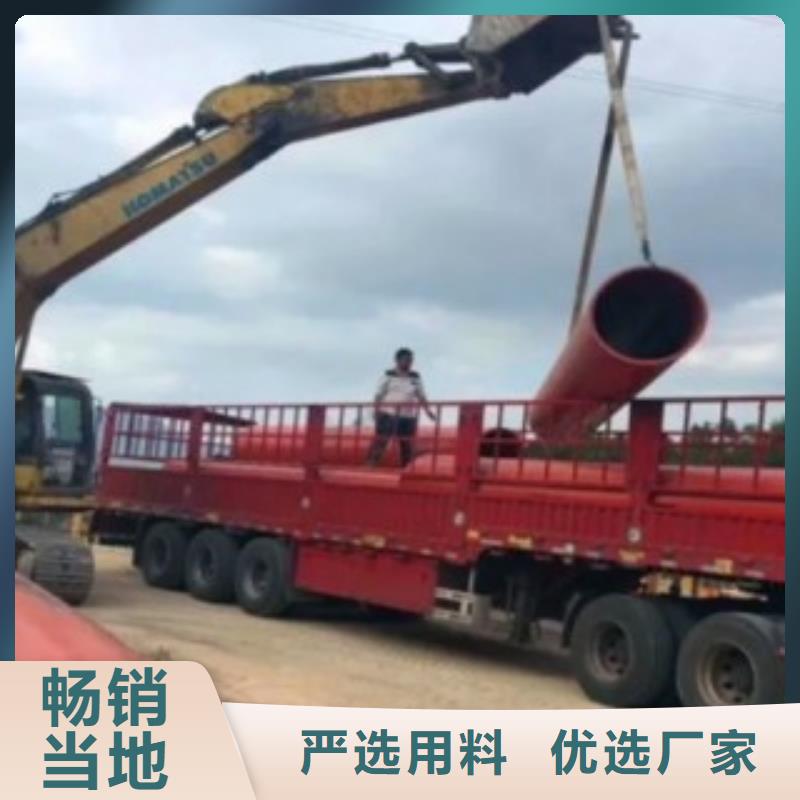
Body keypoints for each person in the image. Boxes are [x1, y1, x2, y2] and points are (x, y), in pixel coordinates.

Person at [366, 348, 437, 467]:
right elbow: (378, 394)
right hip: (388, 414)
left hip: (408, 416)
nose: (409, 363)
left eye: (411, 360)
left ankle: (407, 469)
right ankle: (370, 466)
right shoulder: (388, 375)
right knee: (381, 441)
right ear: (397, 360)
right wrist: (376, 410)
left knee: (407, 444)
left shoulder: (415, 377)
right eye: (406, 360)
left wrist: (428, 411)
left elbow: (421, 395)